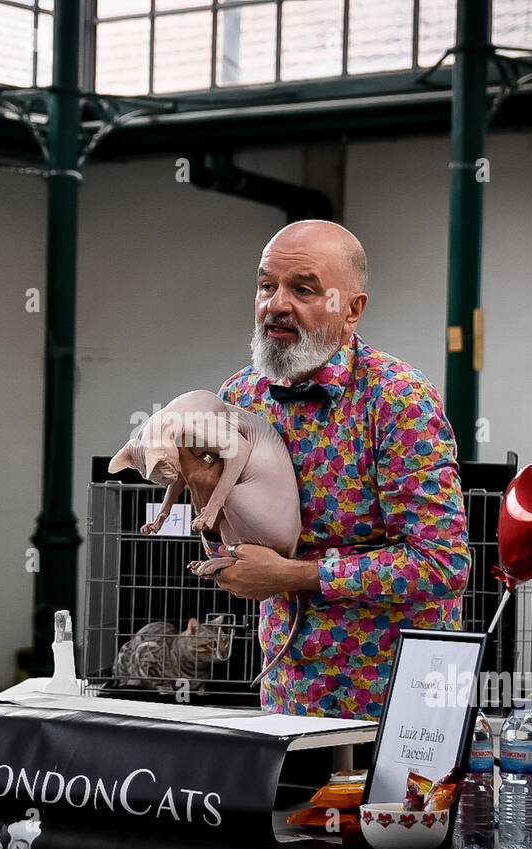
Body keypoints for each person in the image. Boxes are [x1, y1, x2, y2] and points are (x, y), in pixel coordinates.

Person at [197, 220, 470, 719]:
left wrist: (293, 575)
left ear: (352, 310)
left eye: (303, 289)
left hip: (400, 700)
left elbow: (441, 564)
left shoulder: (396, 400)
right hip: (288, 691)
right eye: (266, 285)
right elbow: (232, 535)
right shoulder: (239, 397)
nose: (275, 304)